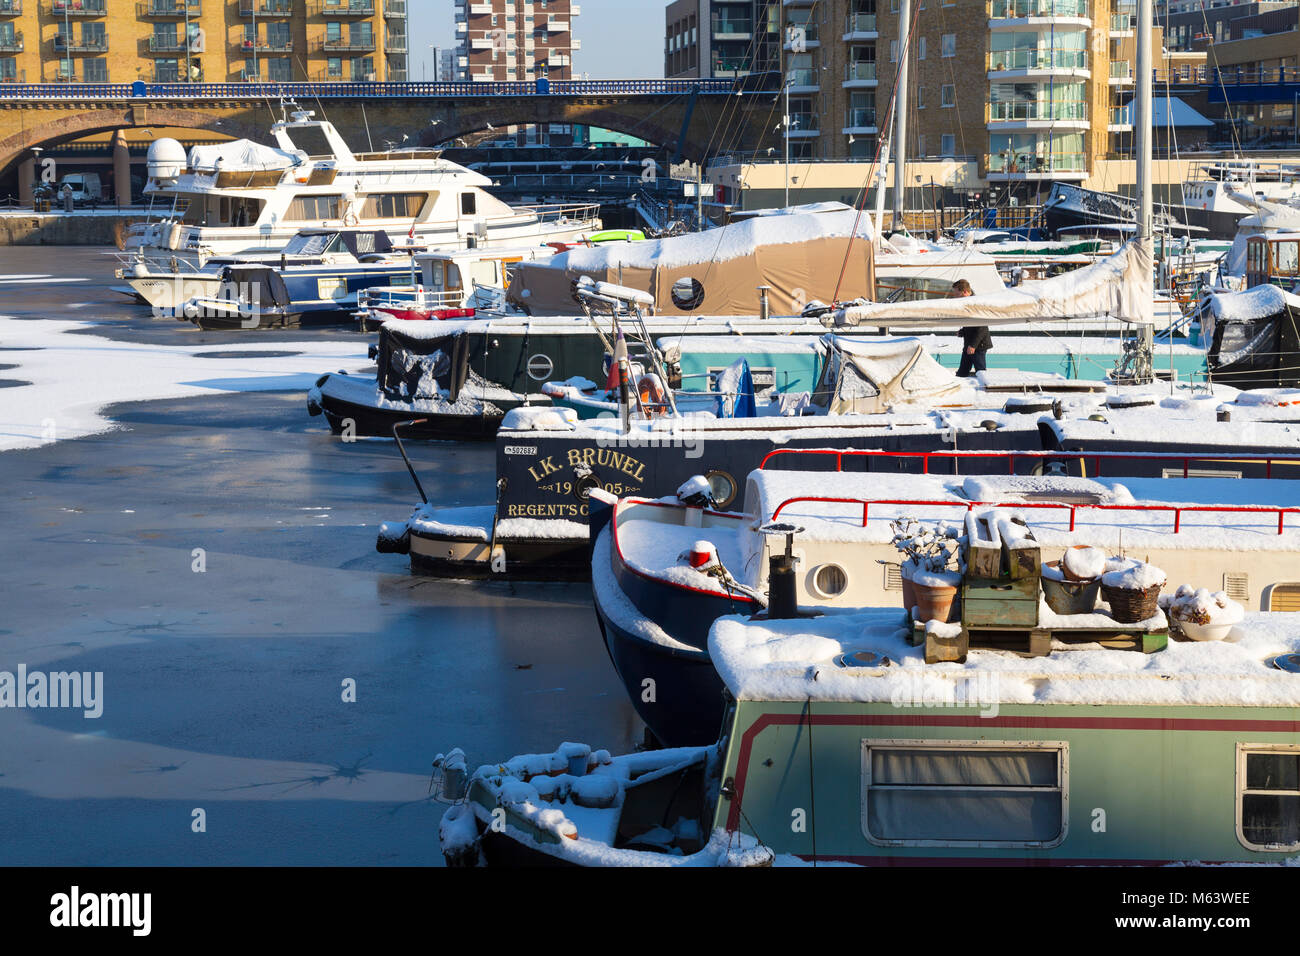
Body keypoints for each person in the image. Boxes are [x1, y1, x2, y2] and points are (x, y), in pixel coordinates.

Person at [950, 279, 991, 378]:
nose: (955, 297)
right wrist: (962, 332)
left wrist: (973, 345)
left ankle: (984, 387)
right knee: (962, 372)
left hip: (978, 346)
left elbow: (982, 327)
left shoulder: (976, 304)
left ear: (965, 292)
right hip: (969, 344)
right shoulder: (968, 304)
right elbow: (971, 325)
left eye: (957, 294)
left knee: (980, 372)